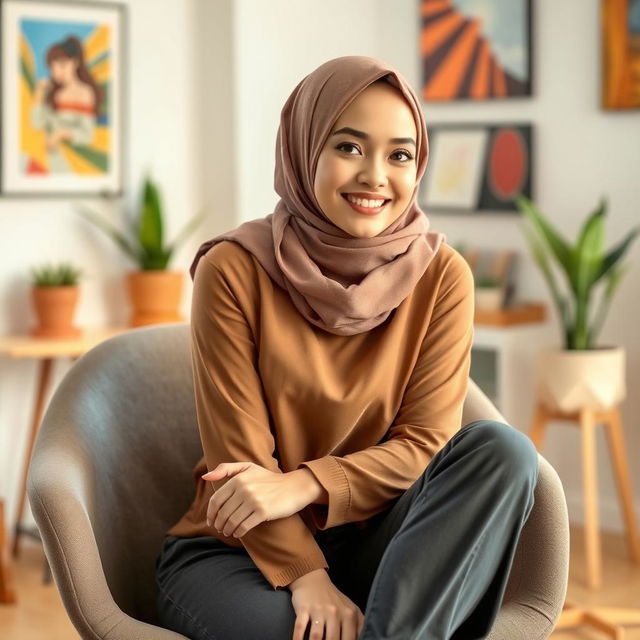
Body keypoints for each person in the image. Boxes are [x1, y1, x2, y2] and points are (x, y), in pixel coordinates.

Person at [154, 55, 539, 640]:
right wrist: (307, 575)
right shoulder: (233, 269)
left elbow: (423, 446)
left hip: (386, 543)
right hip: (242, 547)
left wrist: (304, 484)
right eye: (349, 147)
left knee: (503, 452)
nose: (375, 176)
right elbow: (241, 465)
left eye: (400, 155)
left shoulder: (442, 277)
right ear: (304, 147)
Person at [30, 36, 102, 174]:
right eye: (53, 67)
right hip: (43, 157)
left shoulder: (85, 93)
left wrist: (60, 134)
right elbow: (36, 124)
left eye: (63, 64)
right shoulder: (52, 92)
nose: (57, 71)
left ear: (75, 63)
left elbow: (87, 136)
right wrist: (39, 94)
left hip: (69, 162)